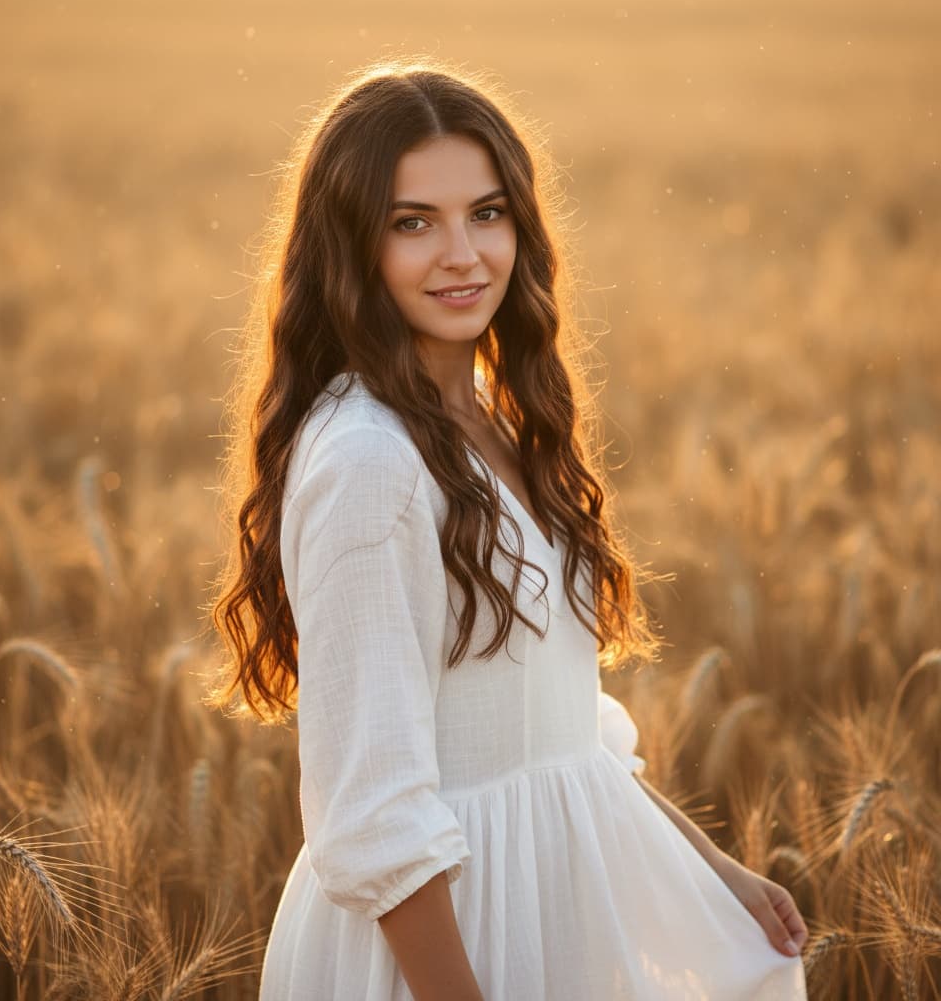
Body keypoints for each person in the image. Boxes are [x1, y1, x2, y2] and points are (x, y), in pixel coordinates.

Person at [208, 58, 809, 1000]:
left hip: (555, 907)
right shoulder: (370, 463)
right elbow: (373, 812)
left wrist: (716, 875)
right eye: (414, 223)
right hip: (452, 945)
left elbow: (560, 737)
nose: (464, 254)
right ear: (350, 248)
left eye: (486, 214)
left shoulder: (494, 417)